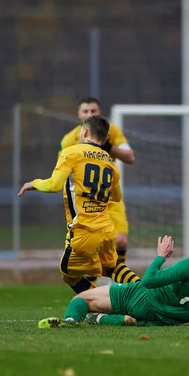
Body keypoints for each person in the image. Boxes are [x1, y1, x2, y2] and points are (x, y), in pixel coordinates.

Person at [19, 115, 140, 294]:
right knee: (112, 267)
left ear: (84, 132)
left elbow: (53, 185)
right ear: (105, 138)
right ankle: (145, 292)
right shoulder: (110, 162)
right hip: (106, 230)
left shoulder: (72, 152)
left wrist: (34, 183)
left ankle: (94, 306)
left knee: (68, 273)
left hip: (84, 230)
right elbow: (116, 197)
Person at [38, 228, 189, 328]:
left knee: (81, 299)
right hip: (164, 321)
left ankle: (72, 321)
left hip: (143, 298)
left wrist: (160, 257)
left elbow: (148, 281)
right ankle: (110, 320)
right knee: (127, 311)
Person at [59, 97, 135, 274]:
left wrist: (110, 147)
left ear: (100, 113)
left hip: (110, 197)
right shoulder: (70, 140)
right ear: (79, 115)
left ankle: (114, 284)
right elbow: (60, 172)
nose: (89, 114)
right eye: (85, 111)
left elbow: (130, 157)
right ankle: (91, 290)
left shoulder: (112, 132)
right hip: (86, 202)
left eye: (93, 111)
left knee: (121, 241)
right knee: (88, 249)